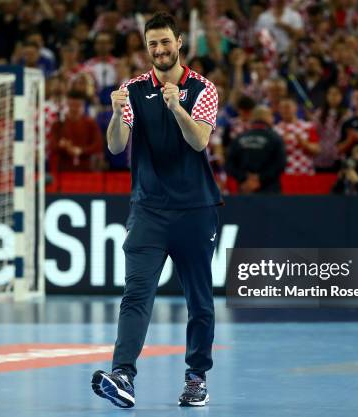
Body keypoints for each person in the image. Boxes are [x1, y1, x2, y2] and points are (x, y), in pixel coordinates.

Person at [91, 12, 222, 409]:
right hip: (148, 209)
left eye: (166, 42)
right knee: (136, 294)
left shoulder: (203, 88)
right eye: (152, 45)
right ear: (146, 48)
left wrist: (176, 106)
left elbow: (199, 141)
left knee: (199, 300)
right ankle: (123, 375)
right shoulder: (131, 90)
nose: (160, 50)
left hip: (196, 210)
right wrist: (116, 114)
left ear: (179, 42)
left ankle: (196, 378)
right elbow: (116, 147)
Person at [225, 105, 286, 193]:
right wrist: (259, 178)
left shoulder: (239, 138)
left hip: (244, 190)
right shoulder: (276, 138)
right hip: (270, 190)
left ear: (252, 118)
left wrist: (245, 178)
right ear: (268, 118)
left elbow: (229, 164)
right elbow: (280, 164)